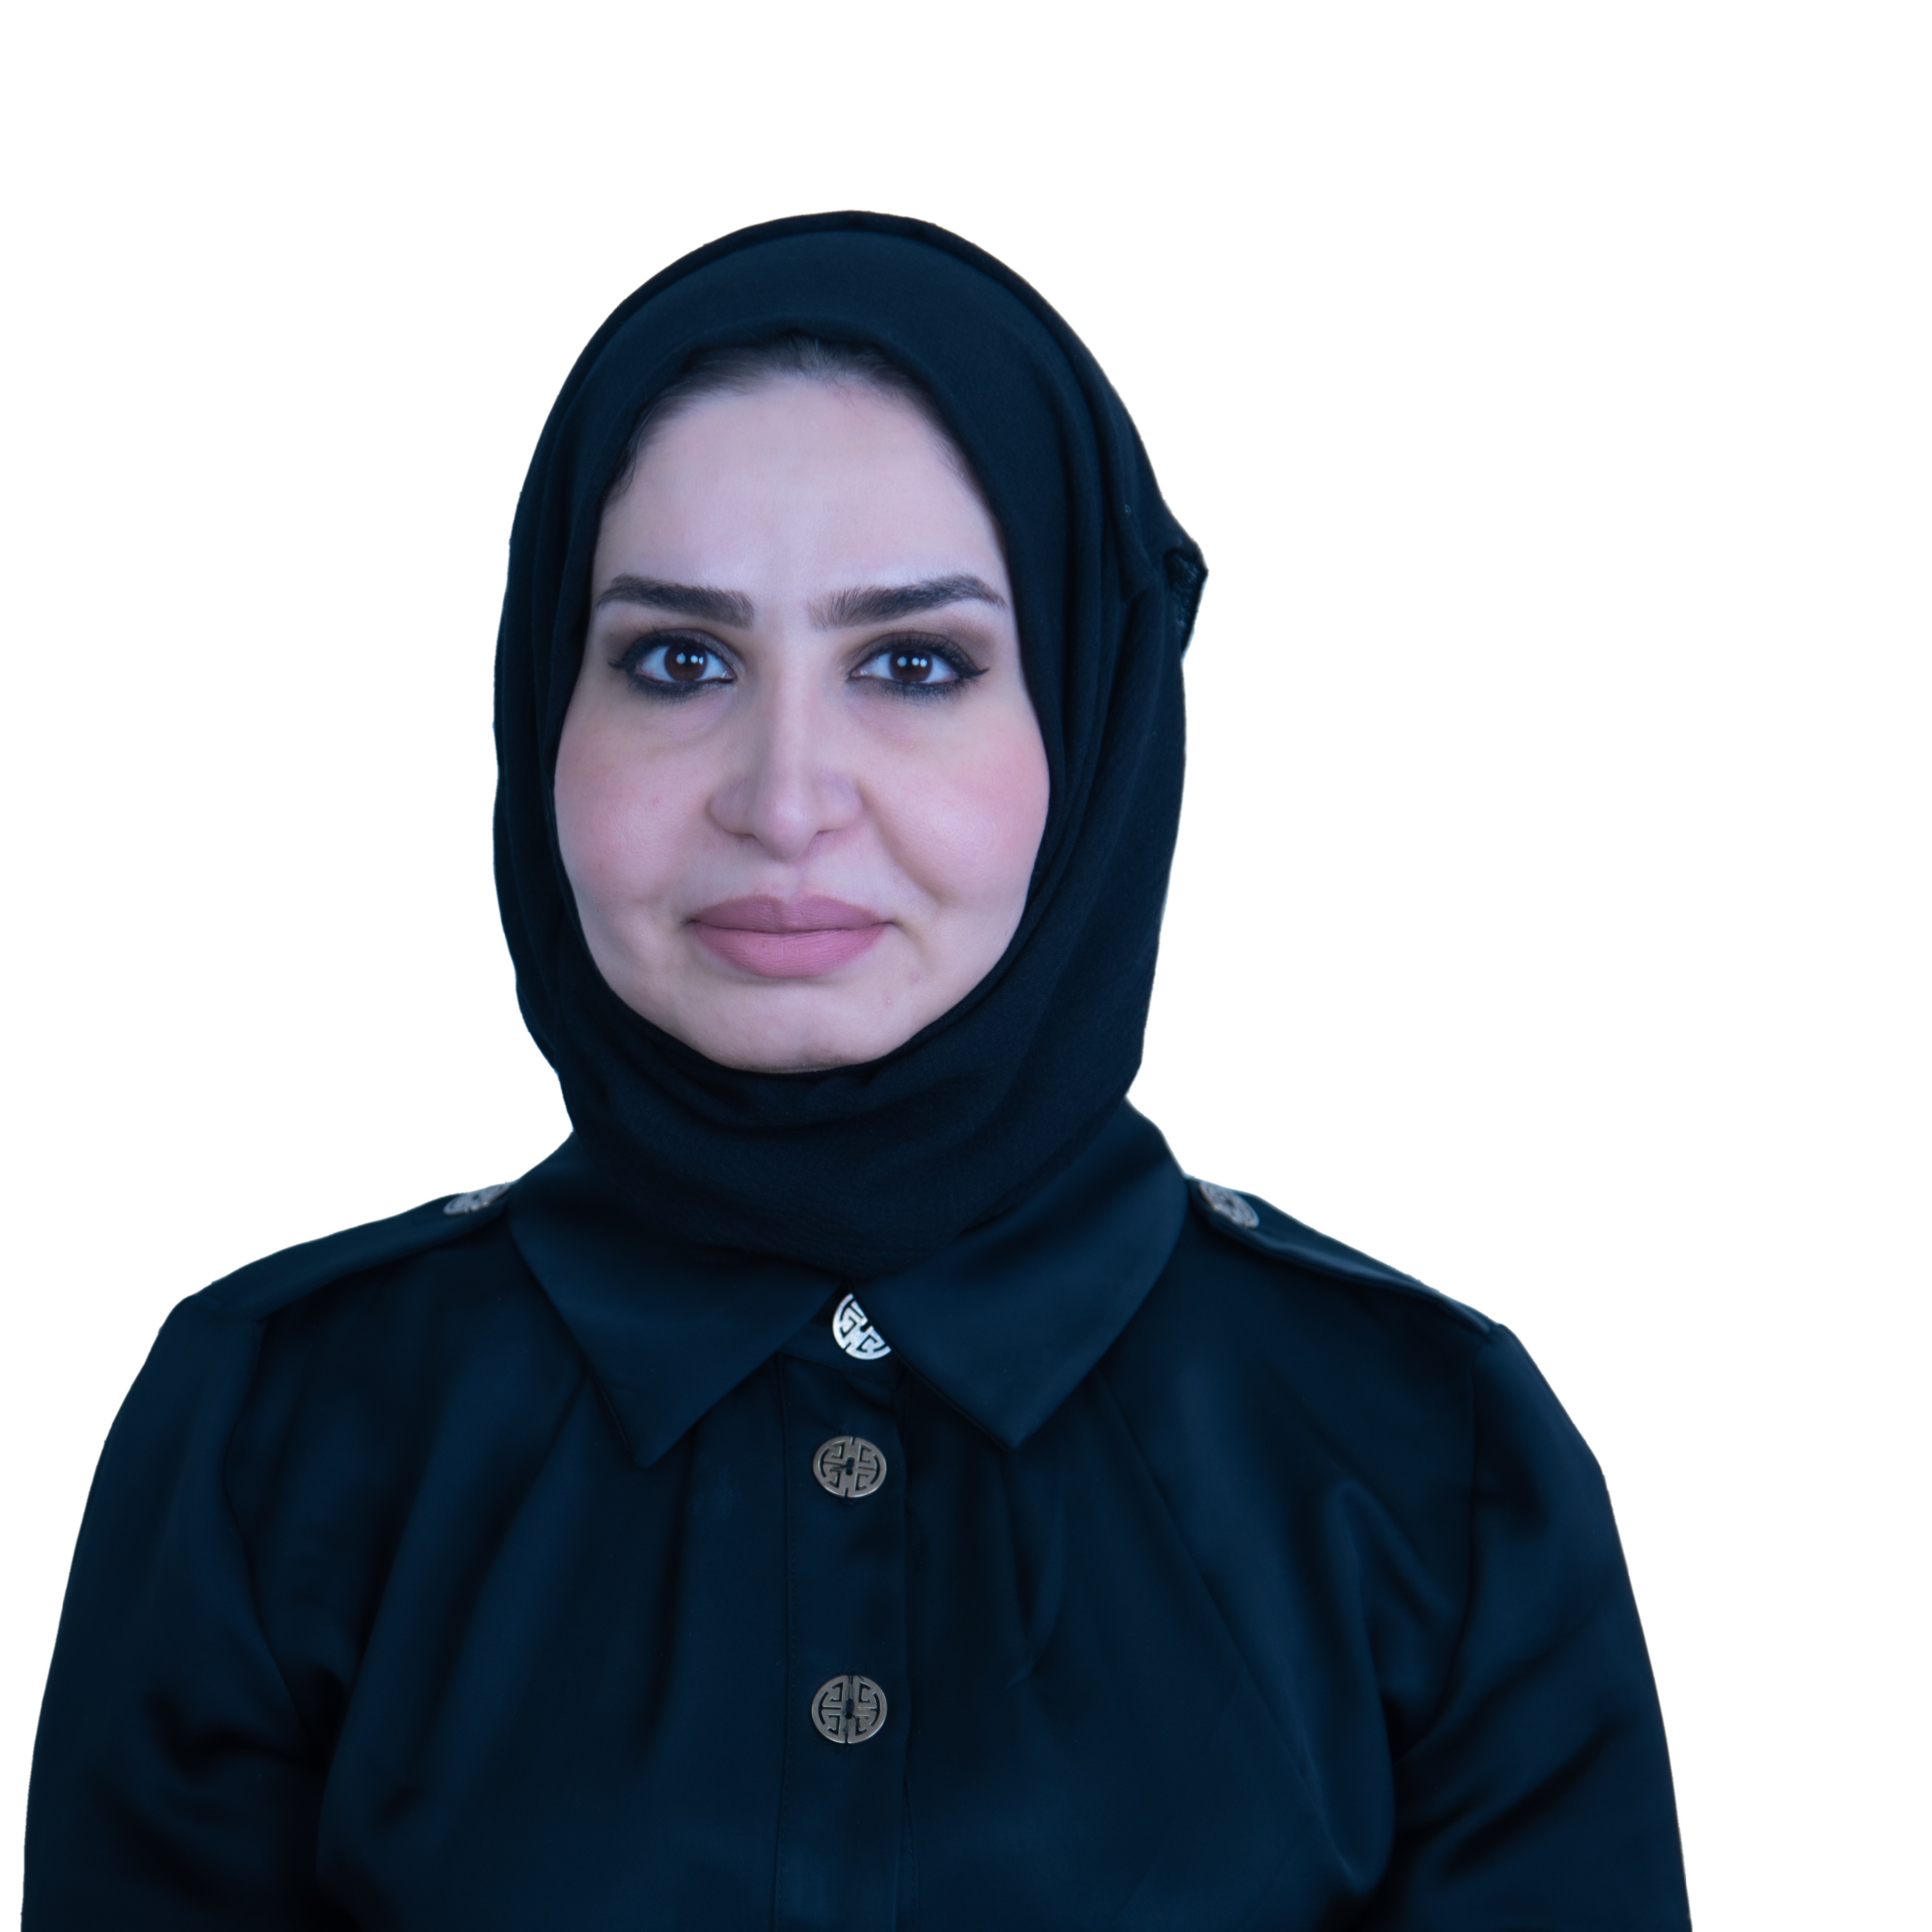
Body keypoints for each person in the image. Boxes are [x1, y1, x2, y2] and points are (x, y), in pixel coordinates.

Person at [24, 214, 1691, 1930]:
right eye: (680, 660)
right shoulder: (278, 1431)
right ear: (541, 714)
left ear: (1096, 724)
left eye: (915, 664)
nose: (785, 797)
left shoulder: (1425, 1459)